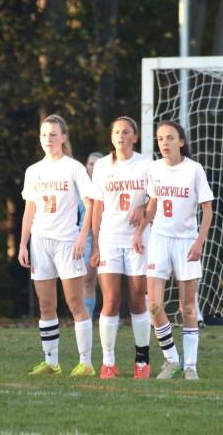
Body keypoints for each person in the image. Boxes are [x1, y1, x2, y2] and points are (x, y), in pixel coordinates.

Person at [133, 120, 214, 380]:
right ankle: (172, 359)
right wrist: (139, 230)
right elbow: (153, 203)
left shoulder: (194, 170)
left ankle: (190, 365)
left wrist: (199, 241)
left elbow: (207, 210)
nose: (164, 143)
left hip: (186, 242)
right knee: (154, 305)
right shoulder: (155, 169)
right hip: (159, 240)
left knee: (187, 307)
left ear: (181, 141)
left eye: (170, 138)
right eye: (160, 139)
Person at [18, 114, 95, 377]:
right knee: (46, 305)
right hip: (40, 243)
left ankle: (86, 363)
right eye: (43, 135)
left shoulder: (73, 167)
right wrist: (22, 244)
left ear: (63, 137)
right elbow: (30, 209)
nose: (48, 139)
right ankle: (52, 363)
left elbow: (91, 203)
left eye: (53, 134)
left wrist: (82, 236)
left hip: (67, 243)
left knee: (75, 302)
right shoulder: (33, 171)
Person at [89, 116, 152, 379]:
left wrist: (143, 207)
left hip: (138, 239)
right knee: (111, 299)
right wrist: (95, 244)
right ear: (111, 137)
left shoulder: (147, 164)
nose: (121, 136)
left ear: (135, 137)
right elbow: (97, 207)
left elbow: (155, 200)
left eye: (126, 132)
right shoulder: (102, 166)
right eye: (117, 132)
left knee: (137, 299)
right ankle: (108, 362)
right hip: (110, 239)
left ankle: (142, 361)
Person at [78, 151, 103, 318]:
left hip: (107, 236)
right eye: (91, 163)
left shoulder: (108, 186)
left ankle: (109, 318)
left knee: (107, 282)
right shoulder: (79, 187)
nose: (93, 167)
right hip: (85, 238)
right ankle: (86, 319)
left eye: (97, 164)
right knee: (87, 279)